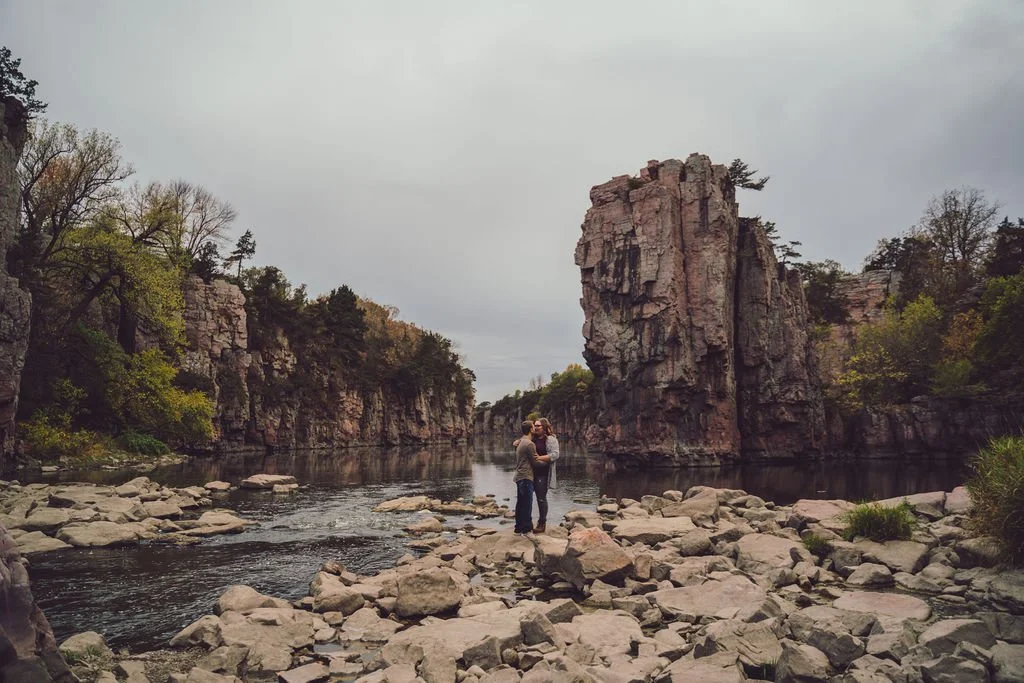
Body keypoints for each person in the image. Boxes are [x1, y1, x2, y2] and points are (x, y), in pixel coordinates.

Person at [514, 418, 560, 533]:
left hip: (542, 473)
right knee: (525, 500)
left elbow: (555, 454)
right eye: (535, 425)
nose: (536, 427)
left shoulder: (550, 439)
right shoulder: (532, 438)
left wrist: (540, 458)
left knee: (541, 498)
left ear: (544, 427)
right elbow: (524, 444)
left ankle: (542, 523)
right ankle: (524, 525)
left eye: (538, 425)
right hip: (530, 472)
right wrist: (517, 442)